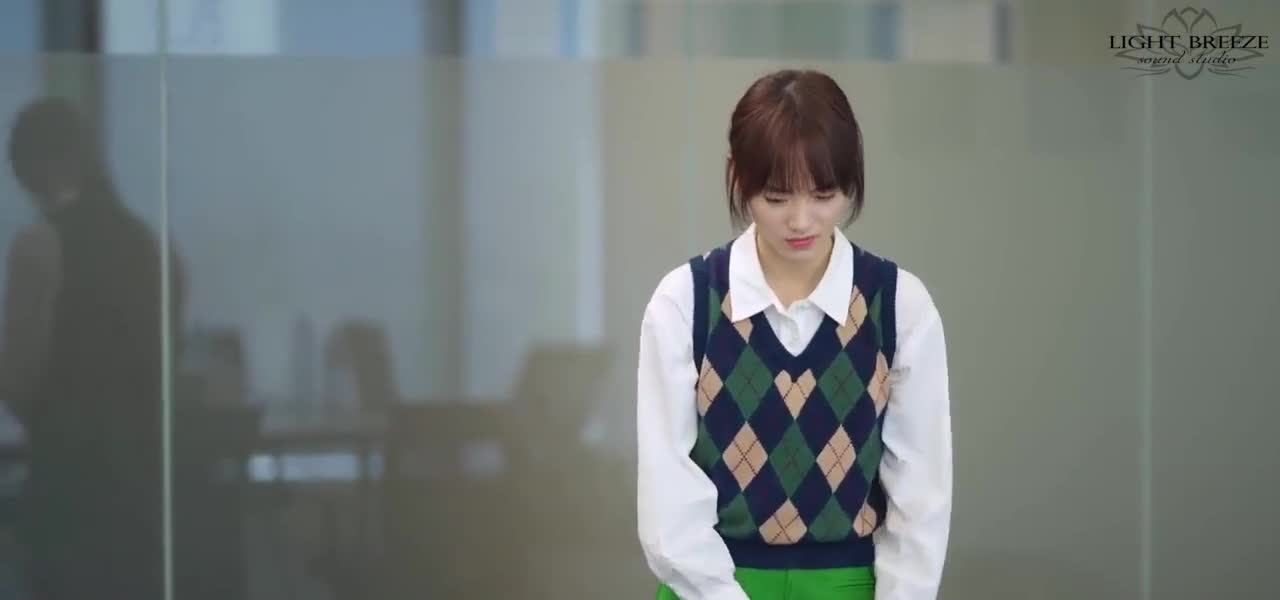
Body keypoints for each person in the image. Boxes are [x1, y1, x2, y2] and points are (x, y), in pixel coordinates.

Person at [636, 69, 952, 600]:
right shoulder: (685, 302)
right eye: (777, 197)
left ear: (852, 178)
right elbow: (666, 495)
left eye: (824, 194)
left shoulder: (899, 306)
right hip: (707, 585)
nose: (802, 221)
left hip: (847, 585)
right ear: (738, 177)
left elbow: (920, 496)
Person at [1, 96, 184, 600]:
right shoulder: (154, 247)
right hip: (140, 494)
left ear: (33, 168)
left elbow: (18, 379)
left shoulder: (38, 245)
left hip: (68, 490)